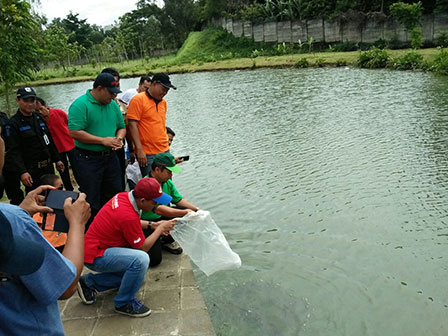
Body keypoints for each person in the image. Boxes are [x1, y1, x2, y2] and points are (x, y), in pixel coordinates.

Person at [77, 177, 176, 317]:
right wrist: (160, 229)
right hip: (96, 255)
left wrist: (151, 225)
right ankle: (124, 303)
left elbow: (131, 221)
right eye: (154, 202)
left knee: (136, 278)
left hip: (94, 248)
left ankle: (90, 282)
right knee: (140, 260)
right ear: (142, 200)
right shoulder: (127, 214)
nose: (156, 205)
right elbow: (142, 248)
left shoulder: (123, 197)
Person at [0, 185, 91, 335]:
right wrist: (77, 223)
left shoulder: (9, 218)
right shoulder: (12, 221)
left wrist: (20, 213)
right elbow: (65, 287)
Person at [68, 73, 125, 218]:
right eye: (110, 93)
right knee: (91, 197)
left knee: (115, 193)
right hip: (88, 158)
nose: (113, 96)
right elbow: (74, 132)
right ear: (99, 88)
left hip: (110, 156)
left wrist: (119, 138)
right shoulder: (80, 105)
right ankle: (92, 231)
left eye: (115, 93)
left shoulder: (112, 104)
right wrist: (102, 141)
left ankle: (112, 228)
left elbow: (121, 126)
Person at [3, 86, 64, 205]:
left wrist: (57, 159)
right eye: (26, 101)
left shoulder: (39, 118)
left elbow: (48, 140)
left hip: (47, 166)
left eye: (32, 100)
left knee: (52, 195)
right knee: (35, 199)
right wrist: (22, 172)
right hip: (31, 170)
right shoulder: (13, 124)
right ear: (18, 101)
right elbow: (13, 151)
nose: (30, 104)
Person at [141, 152, 199, 257]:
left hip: (163, 215)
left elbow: (177, 200)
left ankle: (167, 240)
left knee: (188, 214)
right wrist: (185, 212)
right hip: (148, 222)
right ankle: (157, 237)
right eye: (169, 172)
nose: (171, 175)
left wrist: (197, 210)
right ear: (158, 170)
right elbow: (158, 209)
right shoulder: (147, 185)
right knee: (154, 259)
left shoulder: (167, 182)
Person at [127, 73, 177, 177]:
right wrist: (139, 149)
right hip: (147, 152)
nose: (165, 93)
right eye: (163, 89)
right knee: (151, 186)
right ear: (154, 84)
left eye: (167, 91)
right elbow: (132, 125)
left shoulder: (163, 103)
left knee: (167, 182)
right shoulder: (138, 100)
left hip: (164, 149)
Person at [36, 97, 76, 191]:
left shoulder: (58, 112)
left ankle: (83, 187)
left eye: (41, 109)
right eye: (37, 111)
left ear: (45, 106)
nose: (40, 112)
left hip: (70, 144)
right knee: (63, 171)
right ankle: (69, 190)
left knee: (77, 168)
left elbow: (70, 124)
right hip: (57, 150)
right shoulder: (39, 121)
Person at [32, 174, 67, 253]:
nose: (64, 191)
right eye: (60, 188)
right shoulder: (36, 219)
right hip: (48, 249)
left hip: (63, 246)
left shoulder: (64, 209)